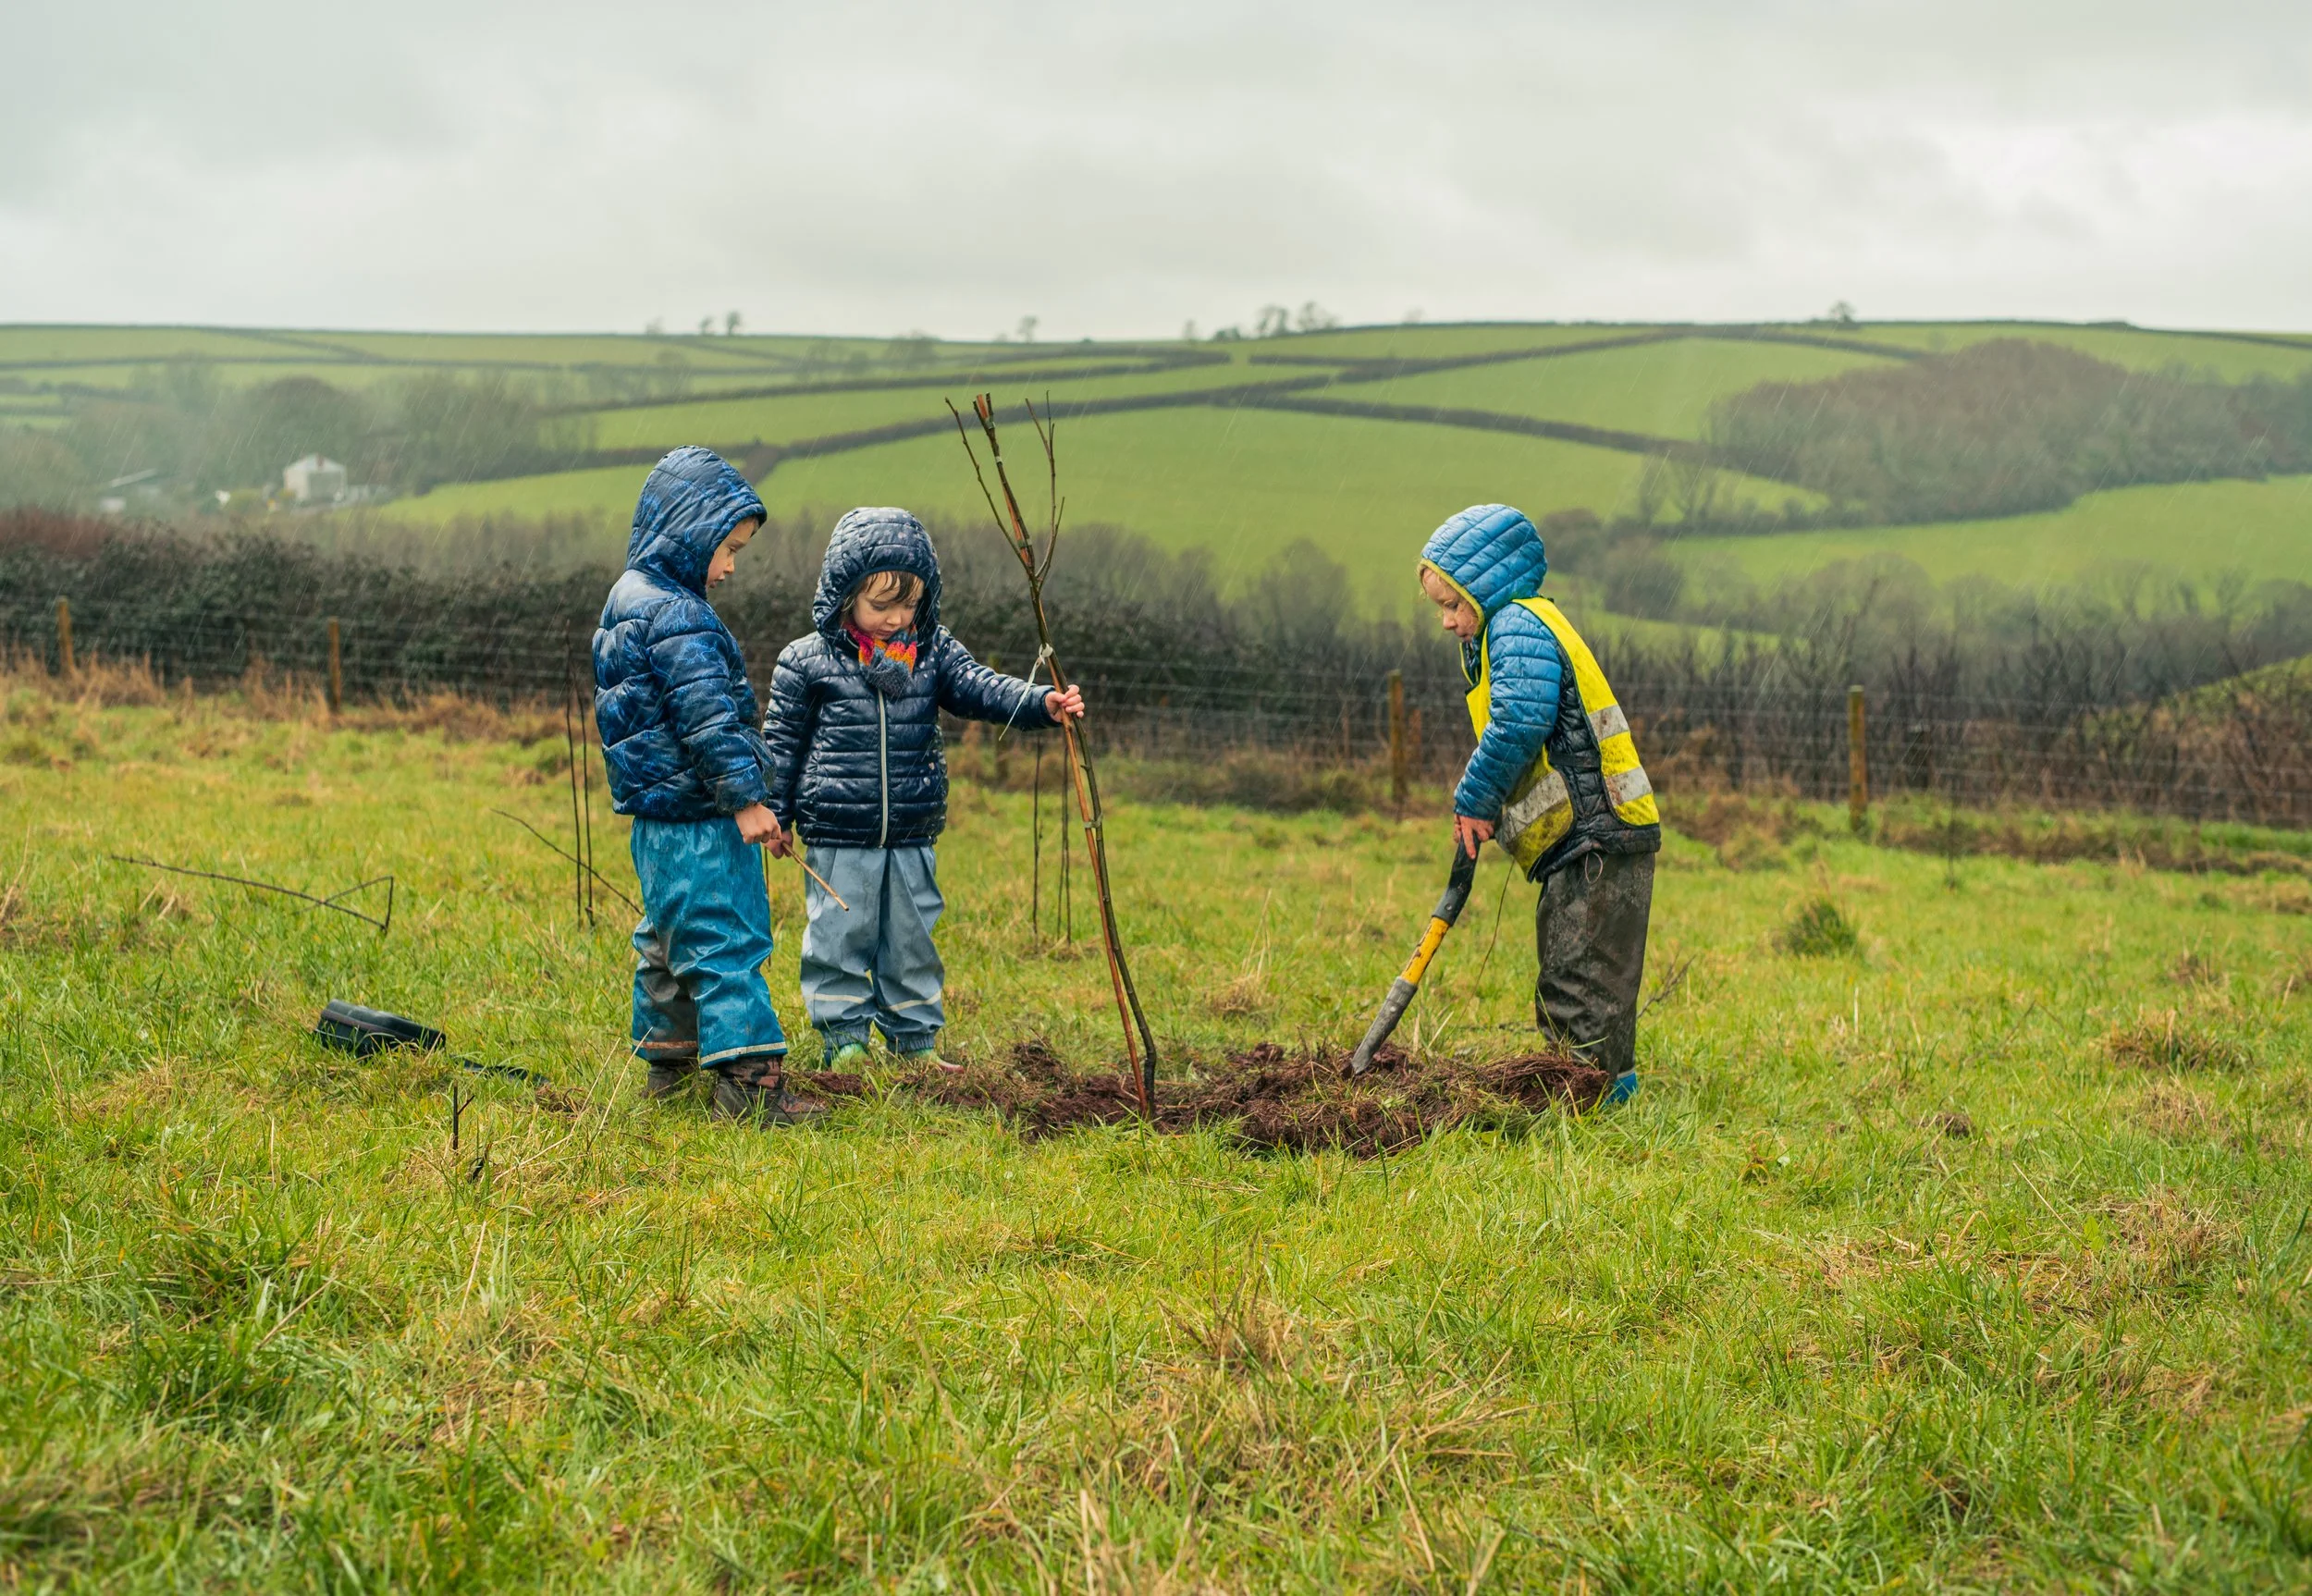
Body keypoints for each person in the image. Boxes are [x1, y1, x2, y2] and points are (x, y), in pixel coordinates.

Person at [762, 507, 1083, 1072]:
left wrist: (1040, 703)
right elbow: (782, 745)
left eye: (909, 605)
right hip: (839, 831)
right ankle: (845, 1040)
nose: (895, 618)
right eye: (881, 605)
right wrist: (775, 813)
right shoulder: (807, 661)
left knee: (912, 941)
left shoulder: (934, 653)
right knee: (839, 936)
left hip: (912, 828)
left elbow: (983, 688)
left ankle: (915, 1043)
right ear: (844, 595)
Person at [593, 446, 824, 1126]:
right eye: (727, 548)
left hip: (654, 821)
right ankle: (749, 1091)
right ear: (690, 532)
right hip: (700, 816)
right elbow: (707, 721)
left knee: (667, 937)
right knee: (726, 939)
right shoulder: (678, 614)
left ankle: (668, 1066)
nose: (727, 567)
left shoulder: (625, 599)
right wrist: (749, 801)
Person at [1418, 503, 1661, 1102]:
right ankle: (1604, 1090)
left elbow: (1520, 724)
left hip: (1597, 832)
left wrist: (1475, 799)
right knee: (1590, 970)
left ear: (1487, 585)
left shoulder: (1518, 625)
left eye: (1452, 604)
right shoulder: (1513, 628)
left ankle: (1583, 1098)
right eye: (1439, 609)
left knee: (1577, 975)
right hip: (1593, 834)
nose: (1447, 622)